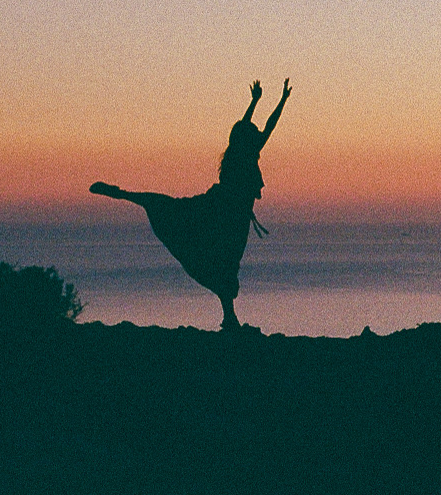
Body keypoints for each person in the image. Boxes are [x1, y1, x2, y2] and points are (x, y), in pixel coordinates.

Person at [91, 78, 291, 331]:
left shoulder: (235, 152)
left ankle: (125, 194)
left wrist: (255, 101)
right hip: (229, 215)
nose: (256, 133)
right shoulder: (248, 154)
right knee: (225, 262)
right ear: (248, 140)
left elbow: (246, 128)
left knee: (175, 211)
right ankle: (230, 318)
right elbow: (268, 127)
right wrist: (281, 100)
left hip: (220, 208)